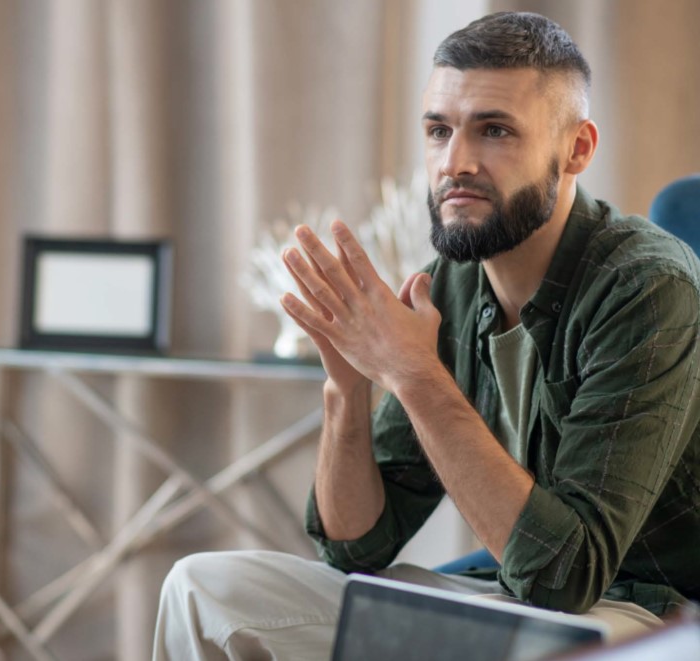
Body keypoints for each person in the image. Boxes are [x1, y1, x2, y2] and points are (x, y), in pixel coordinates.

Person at [153, 11, 700, 660]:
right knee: (201, 589)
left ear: (576, 148)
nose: (454, 162)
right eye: (439, 131)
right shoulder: (452, 284)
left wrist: (415, 373)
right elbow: (357, 545)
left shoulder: (646, 287)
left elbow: (566, 574)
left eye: (494, 130)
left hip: (639, 613)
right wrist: (348, 389)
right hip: (502, 592)